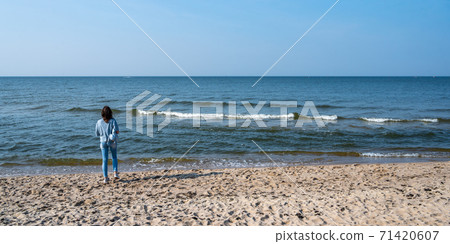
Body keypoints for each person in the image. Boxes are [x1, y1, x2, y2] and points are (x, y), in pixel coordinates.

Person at [95, 106, 120, 183]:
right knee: (114, 157)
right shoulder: (113, 121)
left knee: (104, 160)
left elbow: (97, 133)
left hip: (103, 141)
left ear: (102, 113)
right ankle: (115, 173)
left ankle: (105, 178)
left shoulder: (99, 122)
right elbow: (117, 131)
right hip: (112, 141)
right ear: (110, 113)